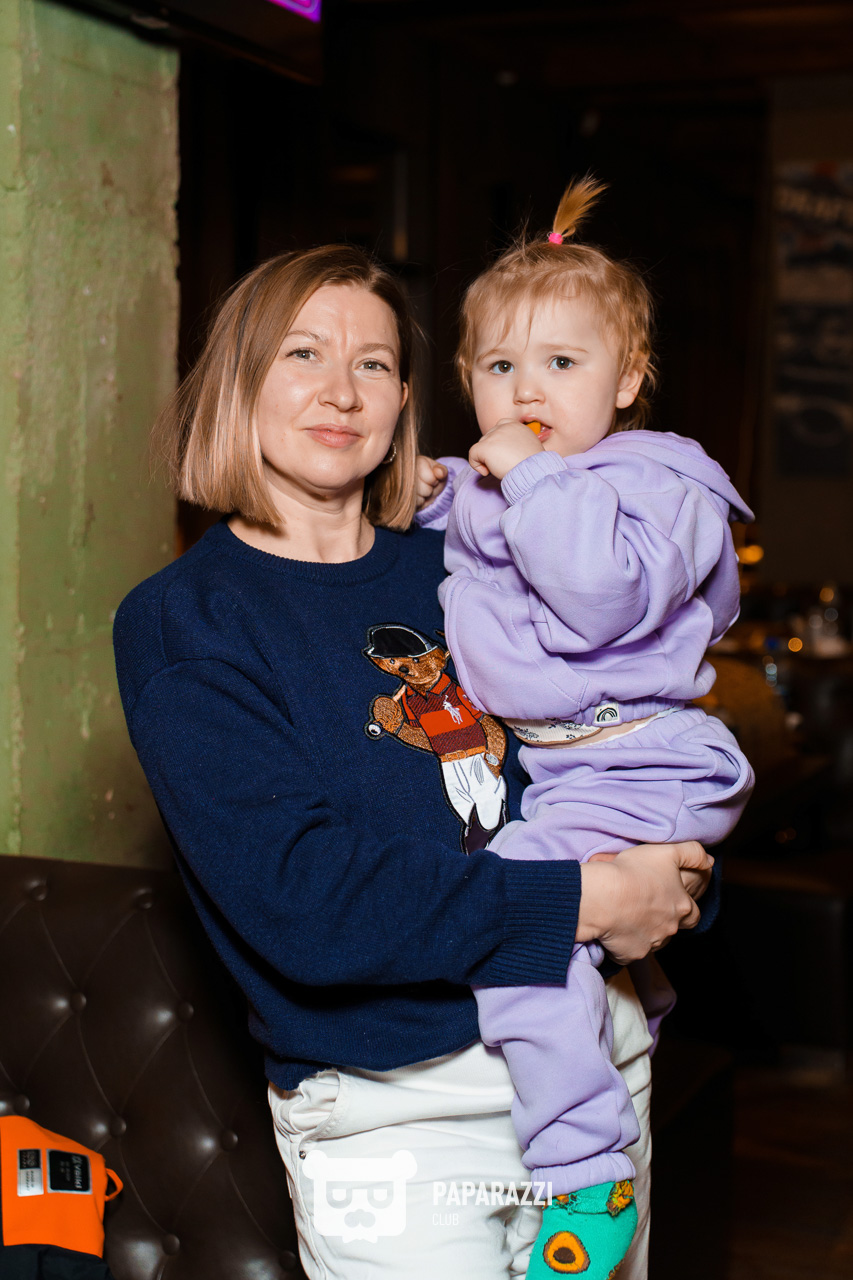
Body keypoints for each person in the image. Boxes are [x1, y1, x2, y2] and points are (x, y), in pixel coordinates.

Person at [113, 243, 715, 1280]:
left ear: (404, 400)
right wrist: (586, 899)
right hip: (397, 1110)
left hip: (593, 1065)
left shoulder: (470, 554)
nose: (342, 391)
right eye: (303, 353)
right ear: (238, 379)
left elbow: (612, 728)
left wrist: (677, 876)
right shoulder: (189, 619)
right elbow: (306, 901)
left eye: (376, 364)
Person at [414, 179, 754, 1280]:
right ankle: (622, 1010)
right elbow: (463, 523)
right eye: (498, 366)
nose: (526, 391)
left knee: (520, 920)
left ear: (629, 379)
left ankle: (584, 1169)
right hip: (578, 771)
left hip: (645, 756)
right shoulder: (501, 481)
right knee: (555, 926)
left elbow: (598, 594)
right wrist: (428, 486)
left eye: (562, 362)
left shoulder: (655, 485)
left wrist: (524, 473)